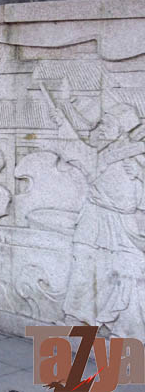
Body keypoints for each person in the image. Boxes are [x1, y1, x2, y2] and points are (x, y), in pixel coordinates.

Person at [50, 103, 145, 340]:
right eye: (103, 122)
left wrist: (140, 174)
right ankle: (78, 319)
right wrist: (62, 122)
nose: (102, 127)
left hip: (122, 224)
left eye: (108, 124)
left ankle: (124, 330)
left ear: (122, 129)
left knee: (126, 273)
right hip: (93, 217)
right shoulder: (101, 152)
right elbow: (77, 151)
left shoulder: (135, 156)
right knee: (83, 267)